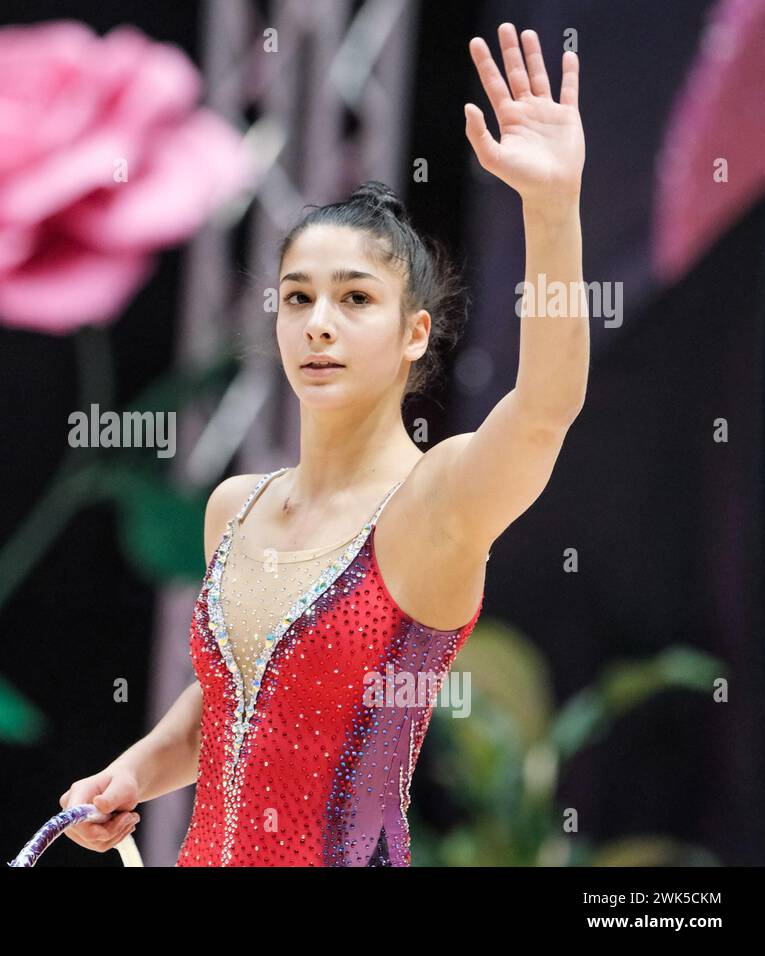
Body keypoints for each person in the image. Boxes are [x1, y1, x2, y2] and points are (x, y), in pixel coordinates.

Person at [59, 23, 587, 865]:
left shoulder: (435, 503)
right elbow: (232, 704)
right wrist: (131, 772)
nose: (319, 325)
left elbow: (545, 409)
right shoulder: (236, 507)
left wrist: (552, 209)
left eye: (355, 299)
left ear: (416, 333)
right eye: (297, 298)